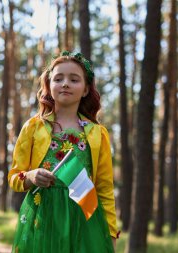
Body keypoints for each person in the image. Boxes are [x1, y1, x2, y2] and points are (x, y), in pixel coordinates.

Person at [8, 51, 119, 253]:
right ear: (49, 86)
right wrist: (31, 176)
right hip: (42, 218)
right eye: (58, 79)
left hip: (84, 218)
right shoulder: (33, 128)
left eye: (74, 79)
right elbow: (14, 177)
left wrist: (110, 232)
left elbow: (104, 187)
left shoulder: (97, 134)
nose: (65, 83)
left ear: (85, 89)